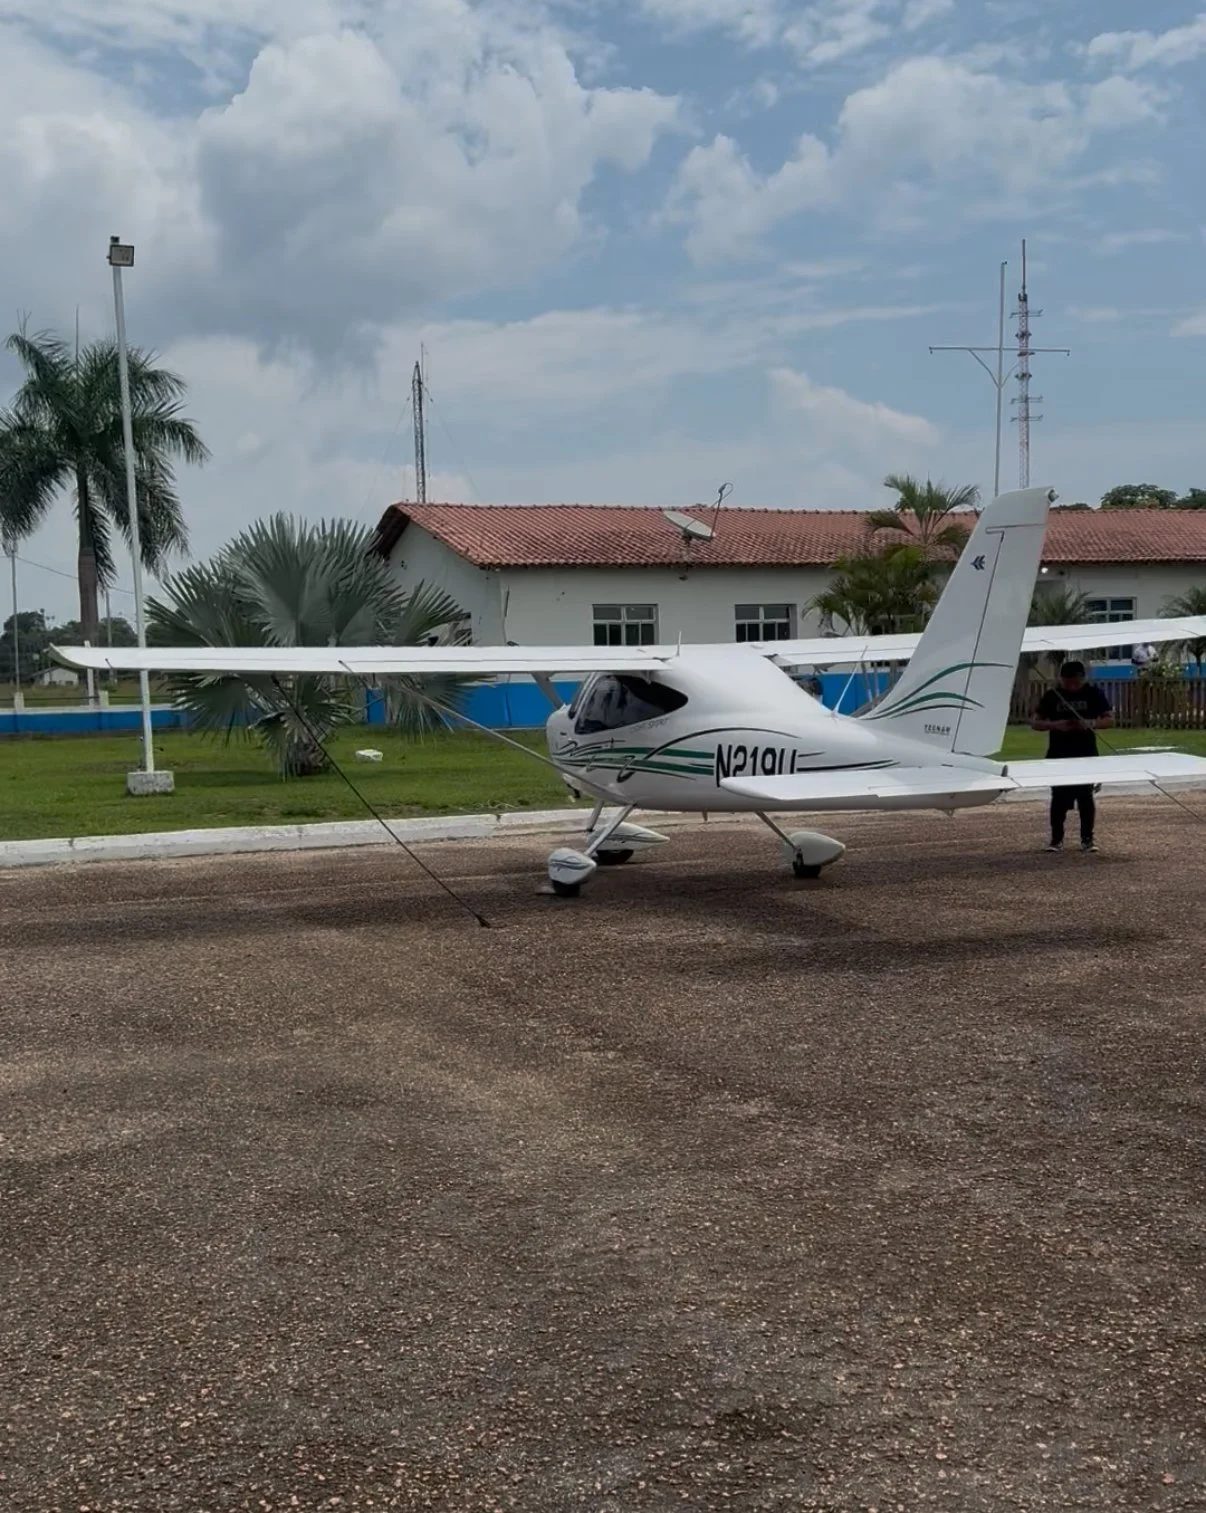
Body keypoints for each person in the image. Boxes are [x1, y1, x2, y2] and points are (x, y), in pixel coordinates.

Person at [1030, 660, 1113, 853]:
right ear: (1062, 679)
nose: (1072, 687)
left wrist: (1091, 723)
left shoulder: (1093, 693)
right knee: (1059, 798)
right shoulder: (1053, 695)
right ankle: (1056, 839)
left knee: (1085, 797)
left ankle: (1087, 839)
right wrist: (1055, 725)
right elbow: (1035, 723)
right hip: (1059, 752)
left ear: (1082, 678)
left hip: (1086, 752)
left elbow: (1109, 719)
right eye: (1068, 683)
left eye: (1076, 682)